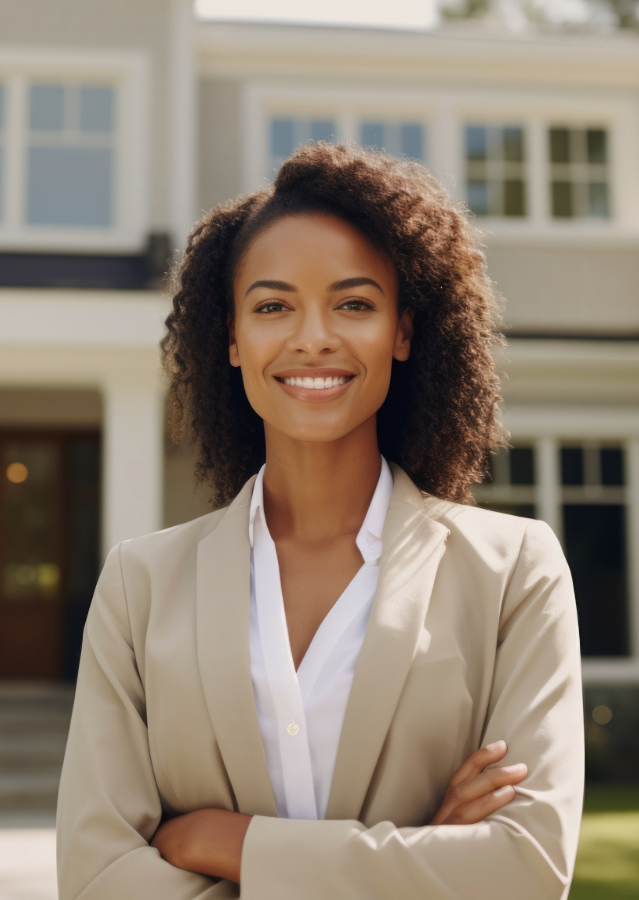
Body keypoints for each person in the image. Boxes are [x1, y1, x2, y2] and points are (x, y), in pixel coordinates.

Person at [56, 143, 583, 899]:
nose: (313, 337)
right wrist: (419, 858)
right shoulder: (141, 587)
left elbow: (524, 869)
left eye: (354, 304)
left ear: (402, 331)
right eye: (273, 306)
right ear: (232, 339)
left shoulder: (512, 573)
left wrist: (228, 843)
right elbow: (96, 874)